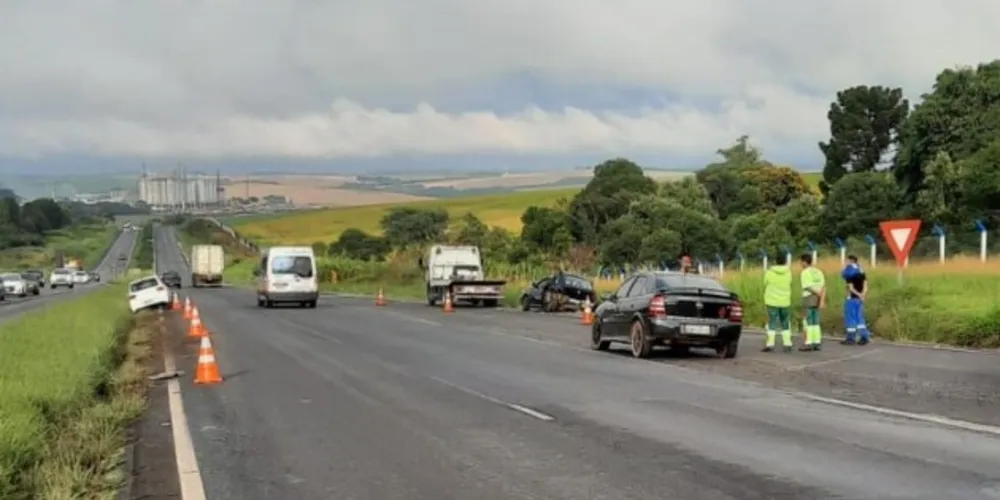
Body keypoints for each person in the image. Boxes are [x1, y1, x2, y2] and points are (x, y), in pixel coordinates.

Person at [762, 253, 793, 352]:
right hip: (785, 301)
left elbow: (765, 283)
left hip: (772, 300)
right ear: (785, 261)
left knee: (772, 322)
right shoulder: (788, 272)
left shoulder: (769, 272)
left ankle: (770, 344)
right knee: (785, 322)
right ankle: (787, 343)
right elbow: (790, 282)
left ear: (776, 261)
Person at [841, 255, 871, 345]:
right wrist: (862, 295)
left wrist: (857, 294)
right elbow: (866, 286)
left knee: (851, 318)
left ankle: (850, 338)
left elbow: (851, 288)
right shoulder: (861, 271)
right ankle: (864, 337)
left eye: (847, 260)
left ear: (850, 261)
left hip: (852, 298)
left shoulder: (849, 272)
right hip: (860, 299)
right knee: (860, 318)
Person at [798, 254, 826, 351]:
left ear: (805, 262)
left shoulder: (805, 272)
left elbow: (807, 286)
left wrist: (817, 293)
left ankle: (808, 342)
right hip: (818, 297)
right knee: (815, 320)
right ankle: (816, 341)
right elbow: (823, 286)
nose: (800, 264)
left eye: (801, 262)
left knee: (808, 320)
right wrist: (822, 298)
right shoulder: (818, 271)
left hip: (809, 297)